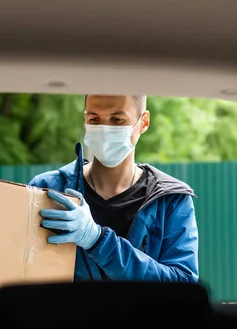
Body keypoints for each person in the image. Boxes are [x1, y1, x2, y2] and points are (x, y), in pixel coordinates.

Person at [29, 94, 199, 282]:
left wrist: (97, 240)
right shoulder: (46, 189)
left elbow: (183, 286)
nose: (104, 129)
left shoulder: (170, 201)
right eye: (94, 119)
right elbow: (12, 268)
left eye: (117, 120)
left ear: (144, 122)